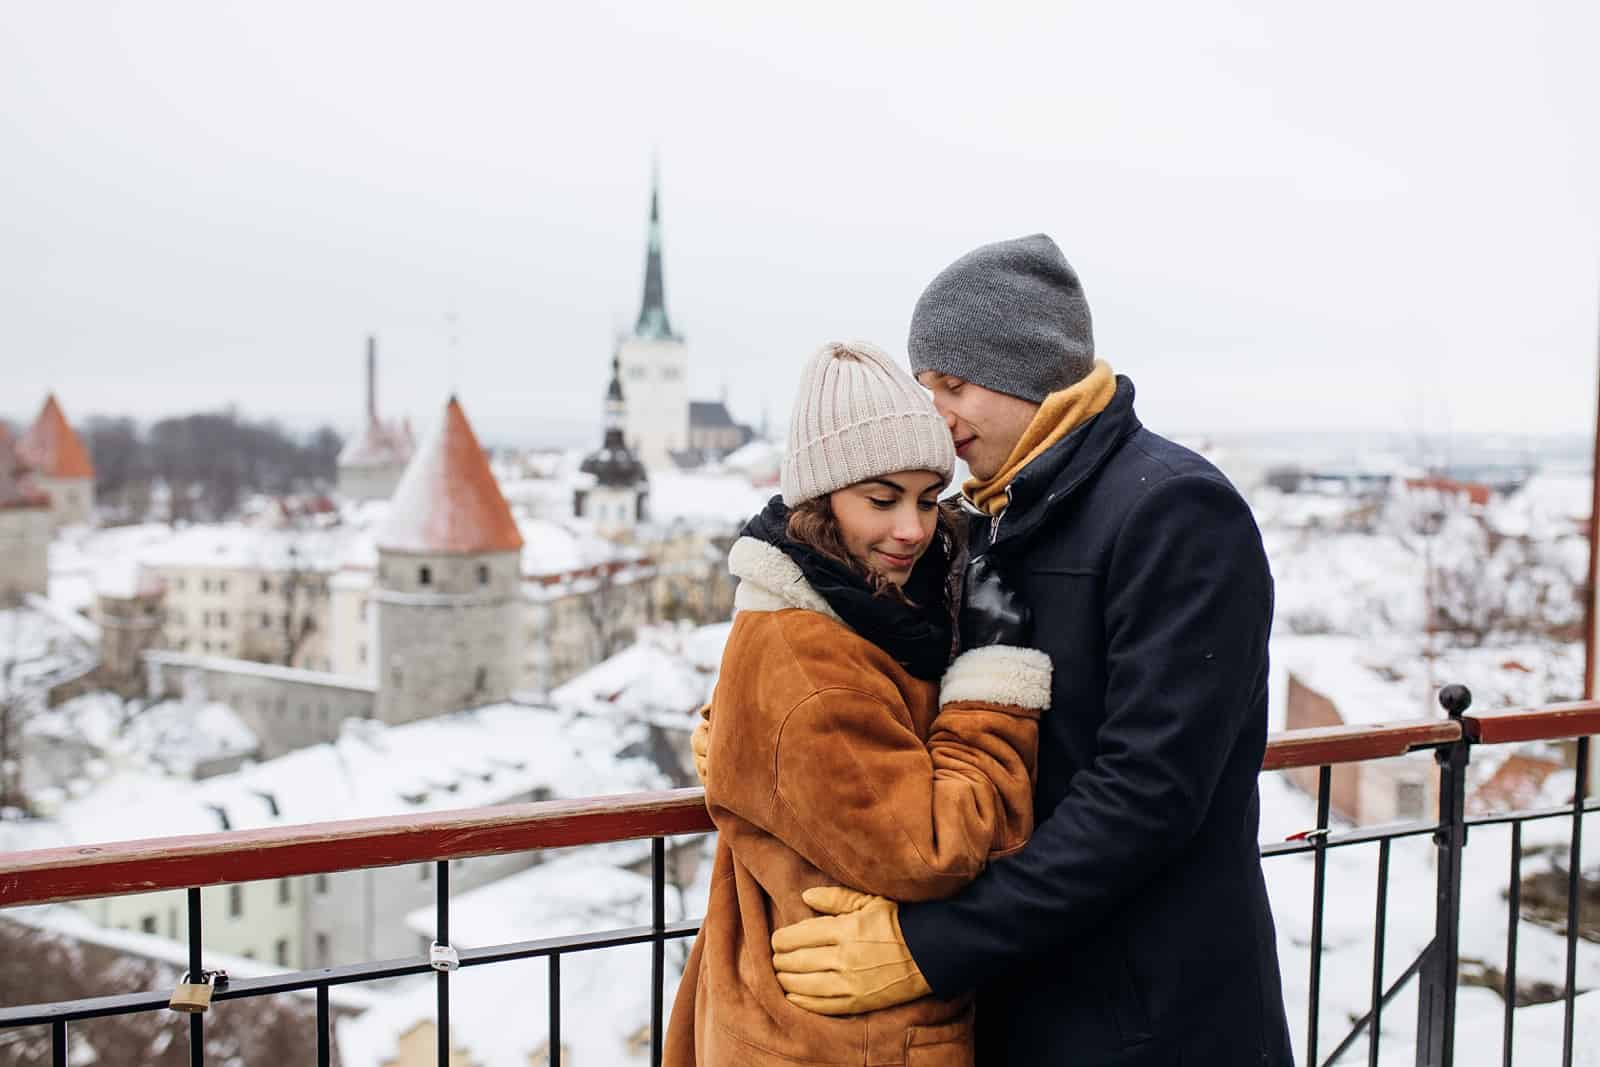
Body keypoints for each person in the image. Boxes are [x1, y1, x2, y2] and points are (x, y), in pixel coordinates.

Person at [769, 235, 1296, 1065]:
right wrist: (758, 721)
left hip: (1150, 1014)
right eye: (924, 385)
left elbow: (1146, 795)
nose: (933, 414)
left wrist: (928, 943)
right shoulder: (988, 518)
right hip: (1025, 995)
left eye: (954, 383)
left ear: (1028, 372)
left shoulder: (1176, 510)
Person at [664, 340, 1053, 1066]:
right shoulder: (812, 658)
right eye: (881, 499)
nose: (912, 528)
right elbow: (933, 849)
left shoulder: (858, 609)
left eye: (927, 498)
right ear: (819, 501)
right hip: (841, 1039)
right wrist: (993, 680)